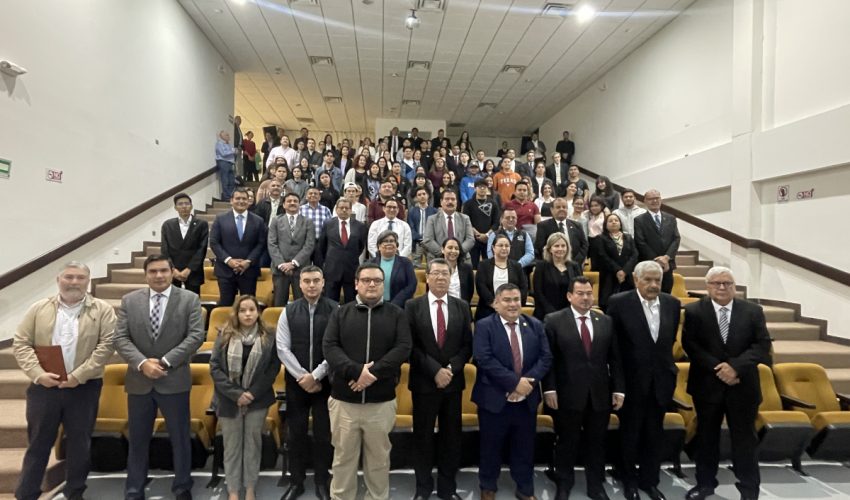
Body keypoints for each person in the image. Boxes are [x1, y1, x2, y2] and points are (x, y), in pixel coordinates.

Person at [12, 262, 116, 500]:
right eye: (69, 277)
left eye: (80, 278)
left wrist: (78, 376)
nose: (74, 282)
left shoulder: (103, 310)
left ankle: (75, 492)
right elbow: (21, 343)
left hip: (83, 388)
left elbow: (106, 346)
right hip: (43, 388)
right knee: (38, 443)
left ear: (88, 281)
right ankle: (27, 494)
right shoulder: (39, 308)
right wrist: (38, 374)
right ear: (58, 280)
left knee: (79, 444)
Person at [114, 254, 205, 500]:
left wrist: (164, 362)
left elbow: (196, 336)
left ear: (172, 271)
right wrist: (142, 363)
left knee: (180, 439)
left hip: (173, 379)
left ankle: (183, 486)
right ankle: (134, 488)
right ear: (146, 274)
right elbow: (120, 338)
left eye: (163, 270)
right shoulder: (129, 301)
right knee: (138, 440)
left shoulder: (189, 299)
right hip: (139, 381)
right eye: (153, 271)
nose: (158, 275)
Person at [322, 263, 413, 500]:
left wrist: (371, 375)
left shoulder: (397, 314)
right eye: (366, 280)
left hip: (380, 404)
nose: (371, 284)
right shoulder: (340, 313)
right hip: (344, 403)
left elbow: (403, 347)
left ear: (383, 284)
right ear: (356, 284)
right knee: (343, 460)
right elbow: (330, 347)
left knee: (379, 461)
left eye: (377, 280)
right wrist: (355, 372)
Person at [682, 267, 772, 500]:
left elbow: (761, 345)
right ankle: (705, 485)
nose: (722, 287)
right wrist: (719, 368)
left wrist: (735, 367)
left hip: (742, 385)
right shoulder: (693, 311)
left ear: (734, 286)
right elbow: (691, 345)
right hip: (707, 386)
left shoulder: (753, 311)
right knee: (706, 439)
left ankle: (749, 489)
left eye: (727, 283)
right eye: (716, 283)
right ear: (707, 286)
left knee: (745, 441)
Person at [543, 276, 624, 500]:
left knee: (597, 443)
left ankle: (595, 486)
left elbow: (615, 359)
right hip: (566, 394)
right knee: (566, 442)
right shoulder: (553, 320)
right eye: (580, 293)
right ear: (570, 296)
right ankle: (564, 484)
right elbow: (548, 359)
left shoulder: (605, 321)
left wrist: (619, 389)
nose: (586, 297)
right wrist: (549, 390)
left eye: (589, 293)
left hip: (599, 394)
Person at [605, 261, 681, 500]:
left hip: (660, 381)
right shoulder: (618, 303)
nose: (653, 284)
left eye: (657, 280)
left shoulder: (672, 304)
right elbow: (613, 349)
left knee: (654, 433)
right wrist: (618, 385)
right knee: (630, 433)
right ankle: (628, 480)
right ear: (636, 280)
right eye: (647, 280)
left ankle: (650, 481)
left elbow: (667, 344)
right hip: (630, 381)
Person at [472, 283, 552, 500]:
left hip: (527, 399)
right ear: (496, 304)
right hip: (494, 399)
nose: (513, 304)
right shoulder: (484, 325)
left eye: (516, 299)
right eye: (507, 300)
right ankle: (488, 486)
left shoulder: (535, 325)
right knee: (490, 446)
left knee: (525, 447)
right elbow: (484, 359)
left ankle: (525, 488)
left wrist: (528, 382)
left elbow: (545, 358)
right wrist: (514, 383)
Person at [406, 258, 473, 500]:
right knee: (422, 437)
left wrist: (451, 369)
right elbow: (410, 346)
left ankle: (447, 489)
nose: (441, 278)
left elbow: (467, 345)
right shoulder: (412, 306)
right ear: (428, 277)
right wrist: (435, 370)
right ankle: (423, 488)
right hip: (424, 383)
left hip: (452, 384)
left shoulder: (462, 306)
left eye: (446, 273)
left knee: (451, 438)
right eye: (436, 274)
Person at [209, 295, 280, 500]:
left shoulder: (269, 336)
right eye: (243, 310)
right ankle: (232, 489)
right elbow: (214, 368)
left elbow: (272, 369)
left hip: (257, 400)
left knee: (252, 444)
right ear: (236, 313)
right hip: (228, 400)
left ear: (258, 313)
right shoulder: (224, 335)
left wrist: (251, 393)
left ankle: (250, 487)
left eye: (252, 310)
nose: (248, 314)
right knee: (231, 446)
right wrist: (237, 394)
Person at [276, 266, 338, 500]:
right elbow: (282, 348)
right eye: (307, 281)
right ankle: (296, 481)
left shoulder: (336, 310)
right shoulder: (288, 311)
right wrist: (303, 377)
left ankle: (322, 481)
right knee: (296, 435)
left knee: (323, 435)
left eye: (316, 281)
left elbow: (335, 347)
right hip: (297, 385)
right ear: (299, 284)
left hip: (326, 384)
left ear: (323, 283)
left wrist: (317, 376)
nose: (311, 285)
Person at [210, 188, 267, 306]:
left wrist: (248, 261)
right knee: (225, 304)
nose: (241, 201)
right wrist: (228, 260)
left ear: (249, 201)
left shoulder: (258, 221)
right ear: (231, 201)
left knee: (248, 305)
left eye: (244, 199)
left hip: (249, 270)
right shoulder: (220, 219)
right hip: (225, 270)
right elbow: (214, 242)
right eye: (238, 198)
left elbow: (261, 243)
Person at [268, 192, 315, 307]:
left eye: (295, 201)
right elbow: (272, 243)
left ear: (300, 204)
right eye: (289, 201)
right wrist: (281, 264)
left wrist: (294, 263)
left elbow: (309, 245)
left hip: (301, 269)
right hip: (280, 270)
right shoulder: (276, 221)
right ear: (283, 205)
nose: (292, 203)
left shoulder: (308, 222)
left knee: (302, 304)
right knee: (279, 303)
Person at [316, 197, 366, 303]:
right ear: (336, 209)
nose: (344, 210)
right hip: (332, 270)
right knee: (330, 303)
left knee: (351, 303)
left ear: (351, 210)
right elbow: (322, 246)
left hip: (351, 269)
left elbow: (360, 246)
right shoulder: (328, 224)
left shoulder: (360, 226)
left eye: (347, 208)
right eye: (341, 208)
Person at [160, 193, 209, 294]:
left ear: (191, 206)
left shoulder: (201, 224)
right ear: (175, 207)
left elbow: (202, 249)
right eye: (180, 204)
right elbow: (165, 250)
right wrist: (173, 270)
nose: (184, 206)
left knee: (192, 304)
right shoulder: (167, 225)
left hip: (194, 271)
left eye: (187, 203)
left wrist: (189, 269)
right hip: (173, 272)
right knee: (173, 303)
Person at [633, 189, 681, 293]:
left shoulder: (671, 218)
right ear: (645, 201)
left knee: (666, 293)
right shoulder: (639, 220)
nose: (654, 201)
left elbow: (676, 239)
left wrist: (667, 257)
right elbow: (640, 242)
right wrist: (657, 261)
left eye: (656, 198)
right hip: (649, 263)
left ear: (661, 199)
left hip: (668, 265)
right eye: (650, 199)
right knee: (649, 292)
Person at [475, 233, 528, 321]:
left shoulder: (517, 266)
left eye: (507, 246)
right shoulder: (483, 265)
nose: (504, 248)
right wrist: (495, 304)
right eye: (500, 245)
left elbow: (523, 287)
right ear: (493, 247)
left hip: (512, 310)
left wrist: (512, 304)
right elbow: (481, 287)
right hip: (488, 310)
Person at [532, 232, 583, 321]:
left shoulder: (574, 266)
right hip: (546, 314)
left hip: (570, 314)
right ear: (549, 249)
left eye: (563, 246)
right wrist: (552, 312)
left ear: (567, 248)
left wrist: (569, 311)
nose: (560, 249)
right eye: (556, 246)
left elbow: (579, 290)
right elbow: (538, 292)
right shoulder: (541, 266)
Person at [595, 213, 638, 310]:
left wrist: (624, 271)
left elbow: (634, 255)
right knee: (609, 305)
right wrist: (618, 270)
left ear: (620, 223)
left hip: (627, 275)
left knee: (628, 306)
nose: (614, 222)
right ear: (606, 224)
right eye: (610, 221)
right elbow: (603, 256)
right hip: (609, 275)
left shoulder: (628, 237)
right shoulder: (600, 238)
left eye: (616, 220)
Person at [422, 190, 475, 262]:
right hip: (437, 259)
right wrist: (445, 253)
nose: (450, 202)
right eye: (447, 199)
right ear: (441, 201)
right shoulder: (432, 219)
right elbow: (428, 240)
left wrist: (456, 252)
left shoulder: (465, 218)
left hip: (462, 259)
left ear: (456, 202)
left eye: (453, 199)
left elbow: (470, 239)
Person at [369, 230, 417, 308]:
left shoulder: (406, 263)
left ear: (396, 245)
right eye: (385, 241)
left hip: (400, 306)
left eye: (392, 241)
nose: (389, 243)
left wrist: (395, 303)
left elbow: (412, 285)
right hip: (375, 305)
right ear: (379, 246)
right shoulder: (371, 264)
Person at [462, 178, 501, 269]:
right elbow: (467, 221)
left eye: (484, 187)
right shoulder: (468, 204)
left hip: (489, 239)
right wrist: (478, 234)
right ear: (475, 188)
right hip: (473, 239)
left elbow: (496, 222)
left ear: (487, 189)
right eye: (480, 187)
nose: (482, 189)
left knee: (489, 266)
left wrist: (487, 235)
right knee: (473, 266)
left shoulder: (493, 203)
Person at [486, 208, 535, 272]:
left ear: (517, 219)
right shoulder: (494, 235)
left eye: (513, 217)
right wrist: (502, 266)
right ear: (501, 220)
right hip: (499, 271)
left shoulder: (524, 235)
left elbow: (530, 253)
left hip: (520, 271)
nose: (511, 219)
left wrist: (517, 265)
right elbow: (490, 253)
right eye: (507, 217)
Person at [408, 186, 438, 267]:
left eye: (424, 194)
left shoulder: (434, 211)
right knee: (415, 267)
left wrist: (427, 239)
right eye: (419, 194)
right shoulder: (412, 211)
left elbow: (436, 228)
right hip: (418, 243)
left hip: (431, 243)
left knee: (432, 266)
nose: (422, 196)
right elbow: (411, 227)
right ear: (416, 197)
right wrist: (419, 237)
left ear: (428, 196)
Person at [441, 237, 474, 303]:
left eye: (456, 248)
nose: (453, 251)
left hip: (462, 308)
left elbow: (470, 292)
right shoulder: (436, 268)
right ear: (442, 249)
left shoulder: (467, 269)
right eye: (450, 248)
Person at [216, 129, 237, 202]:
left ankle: (231, 195)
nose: (229, 136)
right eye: (227, 135)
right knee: (225, 180)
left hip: (230, 163)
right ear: (222, 136)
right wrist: (233, 151)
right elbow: (223, 153)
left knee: (231, 180)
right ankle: (227, 197)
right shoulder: (219, 144)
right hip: (223, 163)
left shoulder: (229, 144)